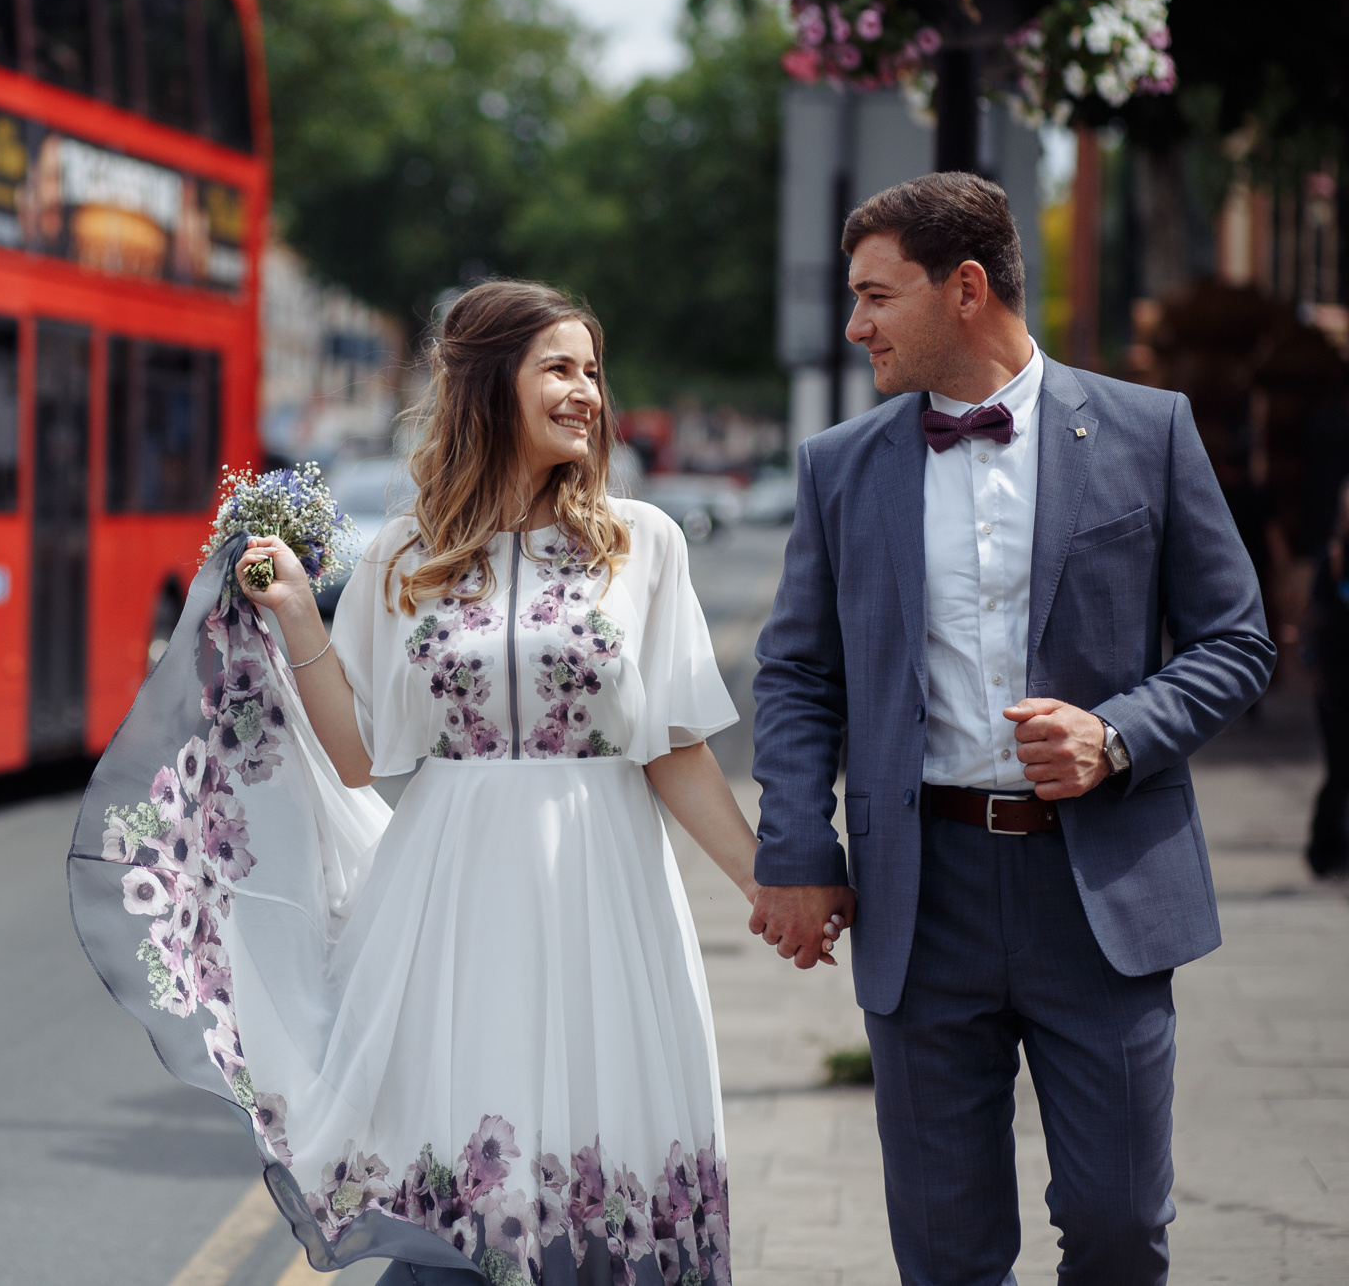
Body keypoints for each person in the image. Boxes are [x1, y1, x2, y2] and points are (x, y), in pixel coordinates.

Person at [68, 280, 836, 1286]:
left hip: (603, 898)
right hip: (446, 907)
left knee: (594, 1179)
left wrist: (766, 883)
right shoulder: (402, 556)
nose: (585, 395)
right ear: (486, 387)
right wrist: (301, 618)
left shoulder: (640, 541)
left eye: (591, 371)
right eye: (558, 369)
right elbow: (357, 757)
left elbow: (671, 747)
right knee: (457, 1199)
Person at [751, 173, 1275, 1285]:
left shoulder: (1148, 431)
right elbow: (797, 673)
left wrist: (1117, 734)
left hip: (1099, 894)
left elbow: (1235, 641)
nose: (854, 325)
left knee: (1118, 1226)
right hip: (919, 891)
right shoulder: (841, 467)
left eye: (874, 295)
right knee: (944, 1251)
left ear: (966, 288)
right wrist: (795, 849)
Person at [1307, 477, 1349, 878]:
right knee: (1339, 768)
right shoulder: (1333, 557)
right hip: (1337, 681)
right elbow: (1320, 617)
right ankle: (1324, 849)